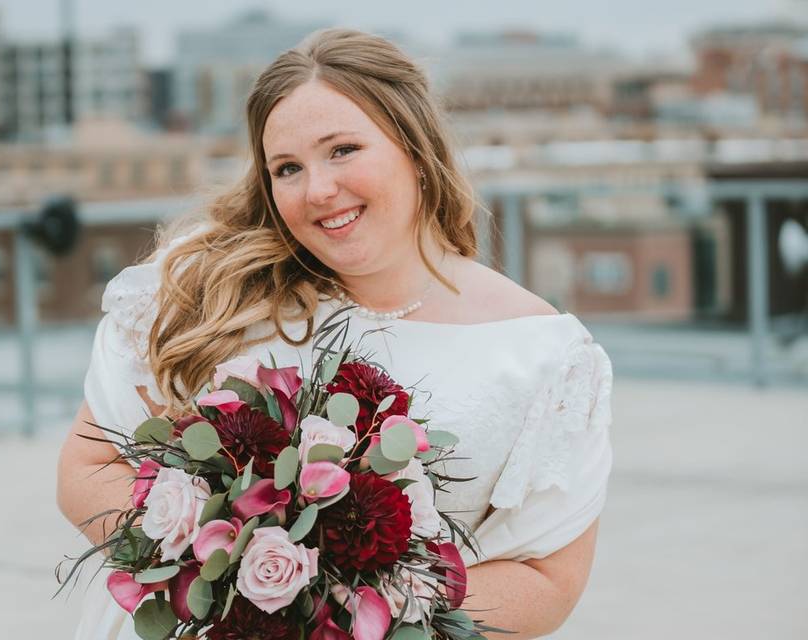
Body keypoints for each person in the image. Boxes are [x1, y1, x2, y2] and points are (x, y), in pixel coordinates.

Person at [57, 28, 613, 639]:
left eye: (343, 150)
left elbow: (549, 580)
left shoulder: (542, 353)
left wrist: (341, 610)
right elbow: (87, 465)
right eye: (287, 168)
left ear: (416, 148)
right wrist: (224, 575)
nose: (318, 190)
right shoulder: (203, 288)